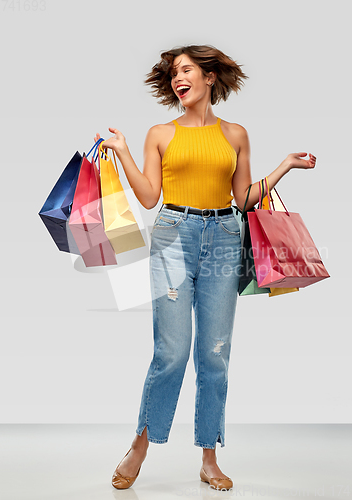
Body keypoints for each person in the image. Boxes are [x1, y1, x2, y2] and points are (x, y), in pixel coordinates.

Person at [94, 44, 316, 491]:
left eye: (187, 70)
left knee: (214, 355)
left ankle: (208, 458)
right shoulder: (160, 132)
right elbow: (148, 197)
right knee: (171, 353)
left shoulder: (235, 134)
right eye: (173, 72)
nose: (178, 78)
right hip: (173, 235)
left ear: (209, 77)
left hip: (223, 237)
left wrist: (285, 167)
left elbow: (243, 200)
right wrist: (121, 151)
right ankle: (141, 444)